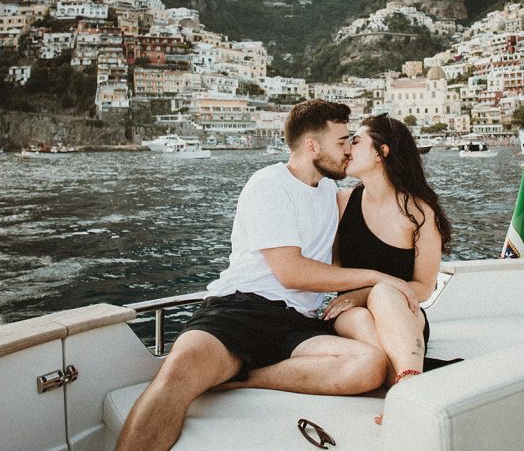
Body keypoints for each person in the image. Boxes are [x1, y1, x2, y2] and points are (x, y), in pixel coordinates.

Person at [116, 100, 419, 451]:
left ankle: (239, 379)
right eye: (341, 142)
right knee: (177, 373)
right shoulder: (269, 184)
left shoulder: (329, 194)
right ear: (311, 146)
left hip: (297, 323)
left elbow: (380, 199)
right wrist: (380, 277)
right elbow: (291, 272)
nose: (348, 150)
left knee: (369, 365)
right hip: (238, 311)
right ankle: (218, 372)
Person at [322, 114, 453, 400]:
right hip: (349, 314)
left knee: (384, 294)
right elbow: (335, 267)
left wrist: (366, 292)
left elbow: (423, 286)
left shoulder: (418, 213)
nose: (347, 150)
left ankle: (405, 390)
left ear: (382, 153)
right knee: (361, 318)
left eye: (355, 141)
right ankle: (406, 387)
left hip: (402, 315)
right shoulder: (343, 202)